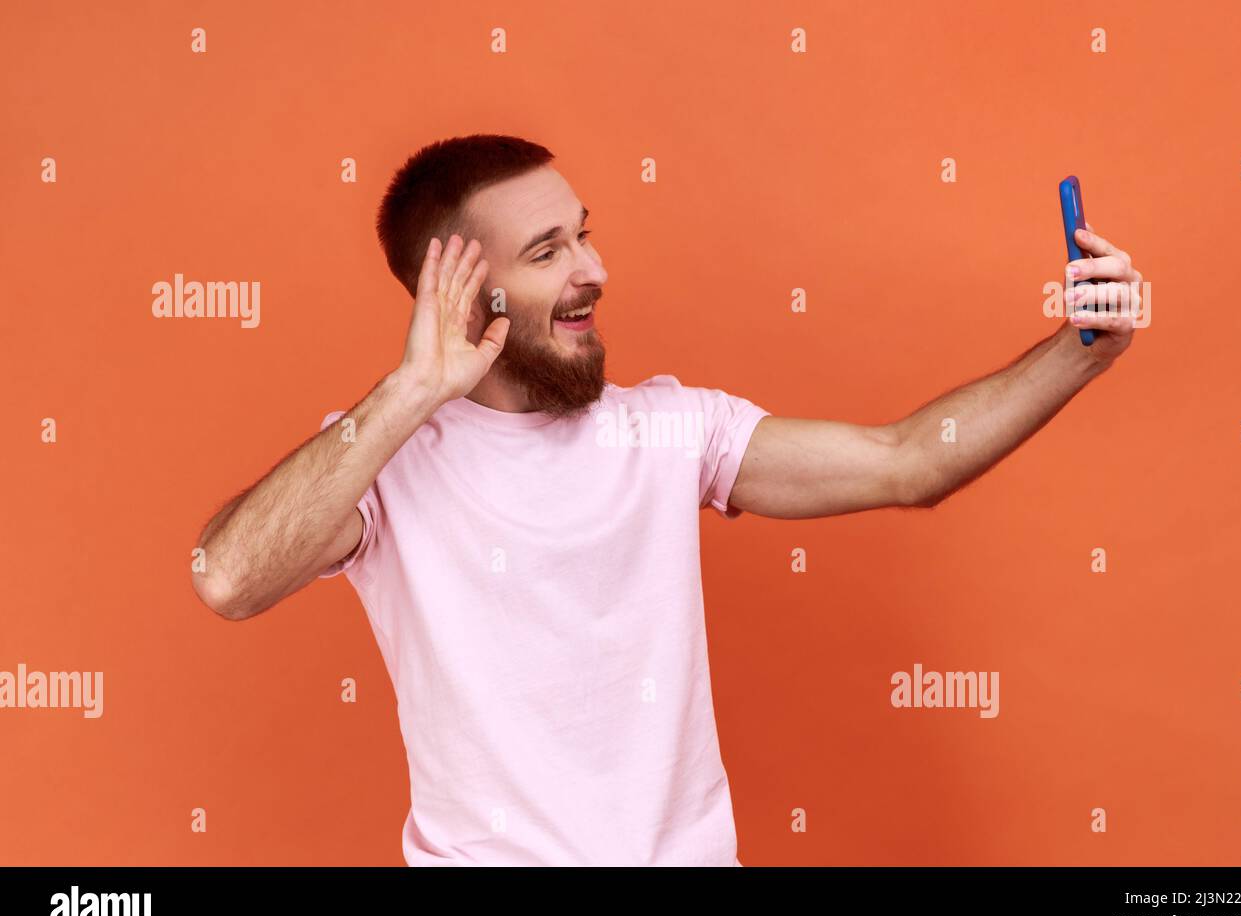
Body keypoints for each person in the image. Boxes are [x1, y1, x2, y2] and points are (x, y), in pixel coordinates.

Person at [191, 133, 1143, 865]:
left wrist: (1081, 349)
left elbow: (906, 463)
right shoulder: (385, 461)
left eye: (586, 232)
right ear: (464, 296)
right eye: (548, 250)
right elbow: (229, 577)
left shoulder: (671, 429)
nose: (593, 269)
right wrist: (407, 391)